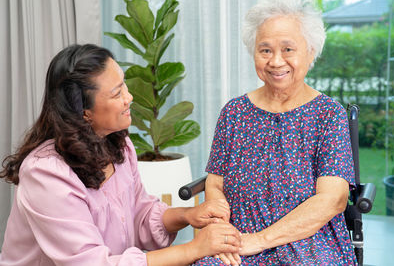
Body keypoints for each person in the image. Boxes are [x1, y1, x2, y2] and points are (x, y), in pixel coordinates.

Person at [0, 44, 242, 266]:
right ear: (84, 112)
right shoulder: (46, 173)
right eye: (117, 94)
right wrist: (194, 249)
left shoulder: (119, 145)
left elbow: (139, 215)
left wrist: (188, 215)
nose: (130, 97)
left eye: (124, 84)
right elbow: (91, 263)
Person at [194, 0, 357, 265]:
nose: (276, 61)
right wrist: (222, 233)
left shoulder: (329, 114)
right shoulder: (233, 112)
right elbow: (215, 184)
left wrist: (259, 240)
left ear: (311, 51)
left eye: (288, 49)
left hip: (307, 240)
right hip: (239, 237)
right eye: (265, 50)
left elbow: (333, 199)